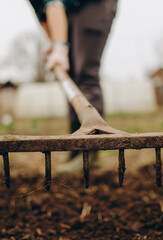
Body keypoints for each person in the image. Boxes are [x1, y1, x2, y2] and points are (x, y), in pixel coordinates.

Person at [28, 0, 118, 170]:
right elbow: (43, 12)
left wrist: (60, 47)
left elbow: (53, 3)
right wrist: (52, 41)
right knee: (71, 78)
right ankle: (77, 146)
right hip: (70, 9)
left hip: (95, 5)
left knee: (85, 74)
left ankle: (91, 151)